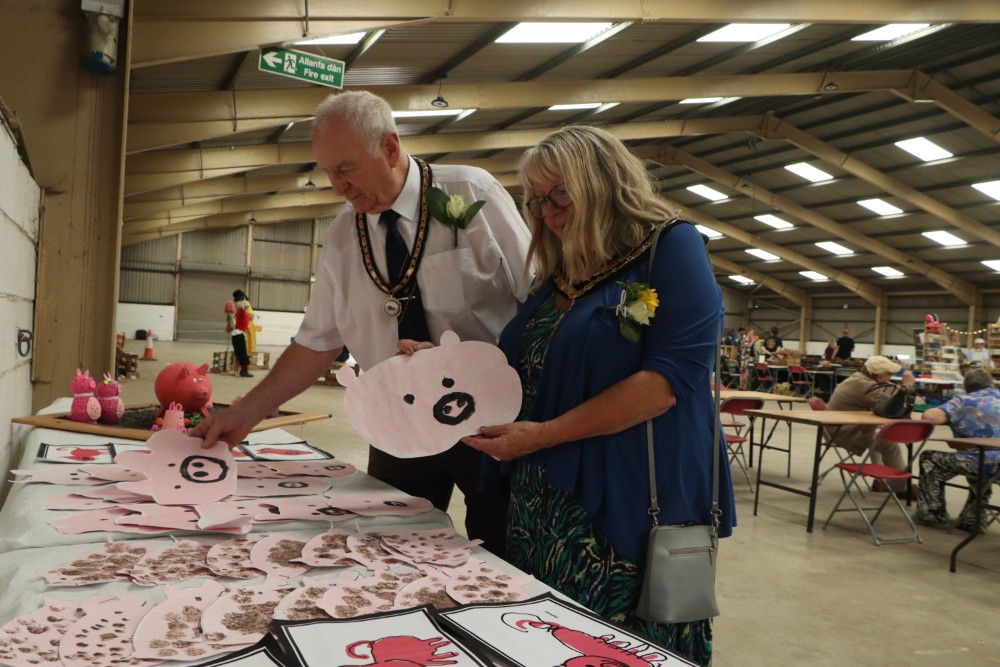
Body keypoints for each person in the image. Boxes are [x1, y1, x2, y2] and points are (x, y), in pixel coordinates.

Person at [193, 91, 532, 556]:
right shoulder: (343, 234)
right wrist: (246, 413)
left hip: (489, 420)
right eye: (327, 172)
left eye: (345, 169)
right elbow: (316, 343)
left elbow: (538, 300)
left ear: (390, 147)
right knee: (390, 550)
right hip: (395, 423)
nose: (337, 186)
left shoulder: (473, 193)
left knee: (502, 546)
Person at [461, 126, 735, 665]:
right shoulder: (560, 274)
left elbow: (666, 384)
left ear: (602, 182)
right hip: (541, 499)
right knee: (545, 639)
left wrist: (543, 435)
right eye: (536, 201)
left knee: (610, 644)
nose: (548, 212)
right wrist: (442, 365)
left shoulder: (670, 246)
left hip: (625, 497)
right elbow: (525, 367)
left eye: (559, 194)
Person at [916, 368, 1000, 532]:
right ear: (991, 384)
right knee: (981, 464)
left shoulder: (963, 400)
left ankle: (932, 513)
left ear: (966, 387)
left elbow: (929, 417)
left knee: (929, 458)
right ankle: (973, 519)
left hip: (981, 461)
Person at [826, 355, 919, 495]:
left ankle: (880, 481)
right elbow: (891, 406)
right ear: (880, 376)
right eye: (890, 375)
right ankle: (902, 488)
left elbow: (888, 394)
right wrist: (907, 386)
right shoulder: (865, 386)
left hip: (840, 428)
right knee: (890, 445)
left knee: (878, 438)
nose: (891, 378)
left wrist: (901, 388)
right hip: (843, 433)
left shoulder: (859, 379)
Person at [230, 289, 254, 377]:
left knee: (241, 353)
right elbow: (245, 306)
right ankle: (244, 371)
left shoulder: (239, 312)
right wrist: (245, 299)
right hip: (238, 335)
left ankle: (243, 369)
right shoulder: (241, 311)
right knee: (242, 353)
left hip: (238, 334)